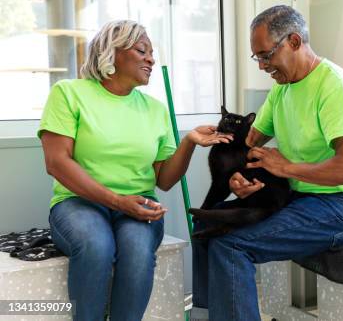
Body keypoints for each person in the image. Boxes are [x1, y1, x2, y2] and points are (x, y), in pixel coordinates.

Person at [38, 20, 232, 321]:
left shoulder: (155, 110)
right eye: (142, 50)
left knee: (138, 253)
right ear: (110, 53)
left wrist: (189, 142)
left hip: (138, 203)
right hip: (79, 202)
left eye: (152, 53)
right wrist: (116, 201)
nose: (151, 59)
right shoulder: (68, 93)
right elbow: (57, 163)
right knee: (96, 247)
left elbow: (165, 180)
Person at [191, 5, 343, 321]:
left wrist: (286, 168)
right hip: (299, 198)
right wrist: (241, 179)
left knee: (231, 246)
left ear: (293, 41)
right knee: (206, 223)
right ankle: (210, 314)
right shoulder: (282, 89)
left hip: (342, 206)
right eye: (257, 58)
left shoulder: (335, 87)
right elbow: (250, 144)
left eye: (266, 55)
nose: (262, 66)